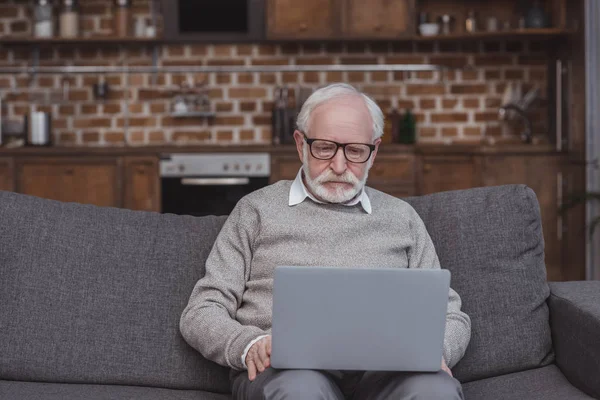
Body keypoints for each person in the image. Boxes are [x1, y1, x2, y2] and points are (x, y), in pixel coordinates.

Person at [180, 83, 471, 399]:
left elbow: (450, 314)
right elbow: (202, 309)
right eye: (324, 148)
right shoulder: (256, 210)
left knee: (434, 391)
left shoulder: (402, 217)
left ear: (374, 151)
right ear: (300, 144)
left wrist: (436, 351)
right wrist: (248, 344)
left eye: (355, 151)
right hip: (286, 371)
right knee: (300, 391)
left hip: (388, 372)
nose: (339, 166)